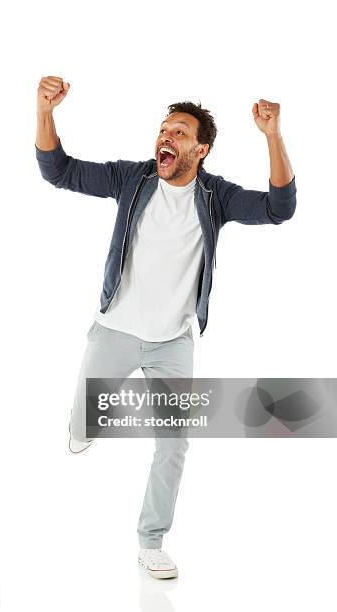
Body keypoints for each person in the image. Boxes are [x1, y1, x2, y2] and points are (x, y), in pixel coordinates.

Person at [35, 75, 297, 579]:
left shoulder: (215, 198)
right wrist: (44, 111)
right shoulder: (132, 180)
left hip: (172, 344)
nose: (166, 137)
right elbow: (58, 171)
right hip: (113, 331)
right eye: (163, 130)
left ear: (201, 150)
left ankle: (151, 540)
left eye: (179, 132)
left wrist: (272, 137)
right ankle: (83, 422)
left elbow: (278, 208)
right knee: (83, 420)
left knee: (174, 442)